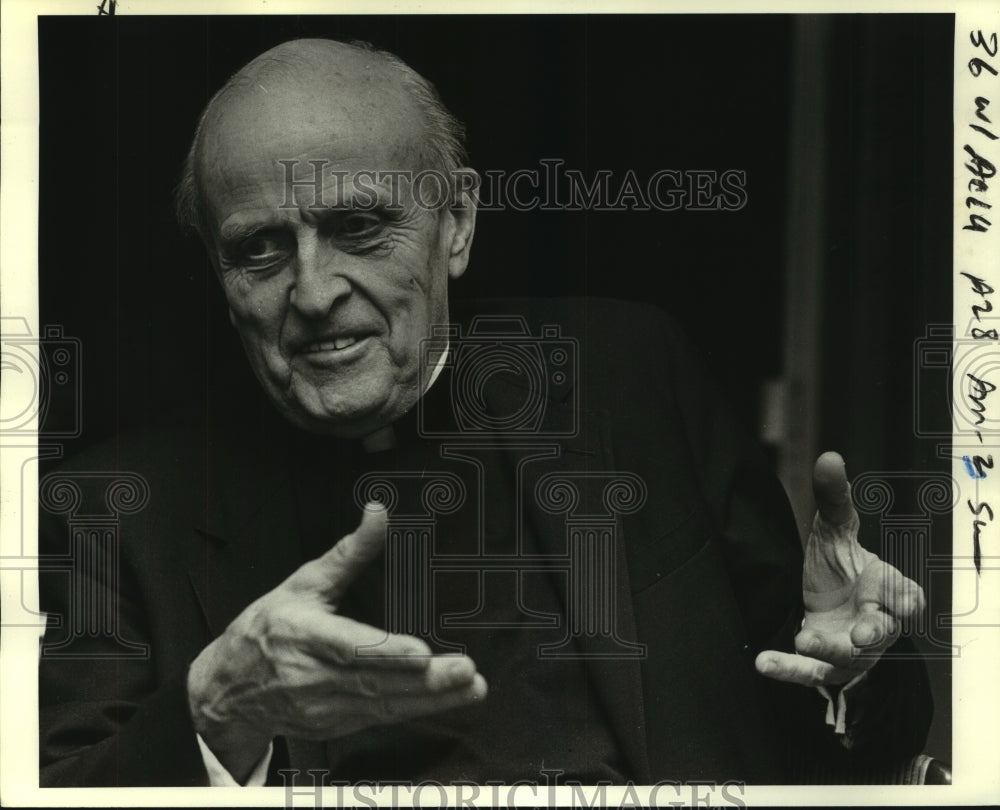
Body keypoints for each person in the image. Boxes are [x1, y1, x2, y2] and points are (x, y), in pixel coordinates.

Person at [38, 38, 932, 787]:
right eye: (259, 249)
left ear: (456, 224)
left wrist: (850, 674)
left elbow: (840, 737)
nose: (311, 293)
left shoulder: (630, 378)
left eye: (358, 228)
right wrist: (213, 717)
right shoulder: (116, 513)